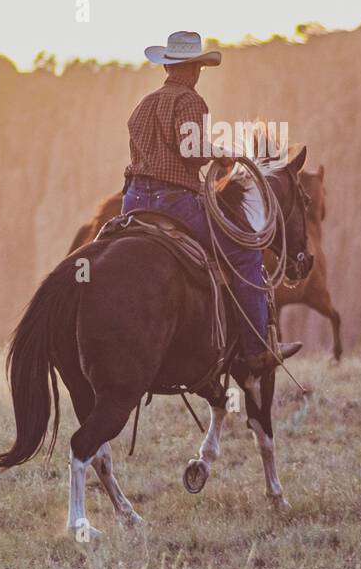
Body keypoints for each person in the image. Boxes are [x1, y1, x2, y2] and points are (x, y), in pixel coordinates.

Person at [121, 30, 301, 374]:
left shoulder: (143, 105)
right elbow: (192, 151)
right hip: (173, 203)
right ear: (194, 69)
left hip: (133, 201)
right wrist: (224, 154)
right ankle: (256, 349)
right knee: (245, 255)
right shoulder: (190, 101)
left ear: (168, 68)